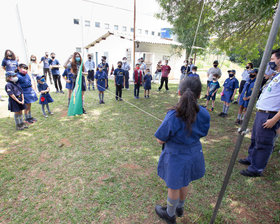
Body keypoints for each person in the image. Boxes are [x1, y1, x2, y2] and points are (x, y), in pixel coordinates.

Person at [154, 77, 210, 224]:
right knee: (185, 181)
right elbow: (203, 132)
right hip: (194, 154)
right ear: (199, 95)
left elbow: (160, 139)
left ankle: (170, 215)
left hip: (176, 156)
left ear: (179, 92)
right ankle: (179, 208)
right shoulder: (204, 113)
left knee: (174, 185)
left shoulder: (173, 115)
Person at [239, 48, 280, 177]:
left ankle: (256, 168)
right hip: (262, 112)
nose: (270, 62)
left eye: (273, 59)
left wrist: (274, 120)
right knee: (255, 138)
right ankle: (252, 159)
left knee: (264, 142)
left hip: (270, 115)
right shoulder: (276, 76)